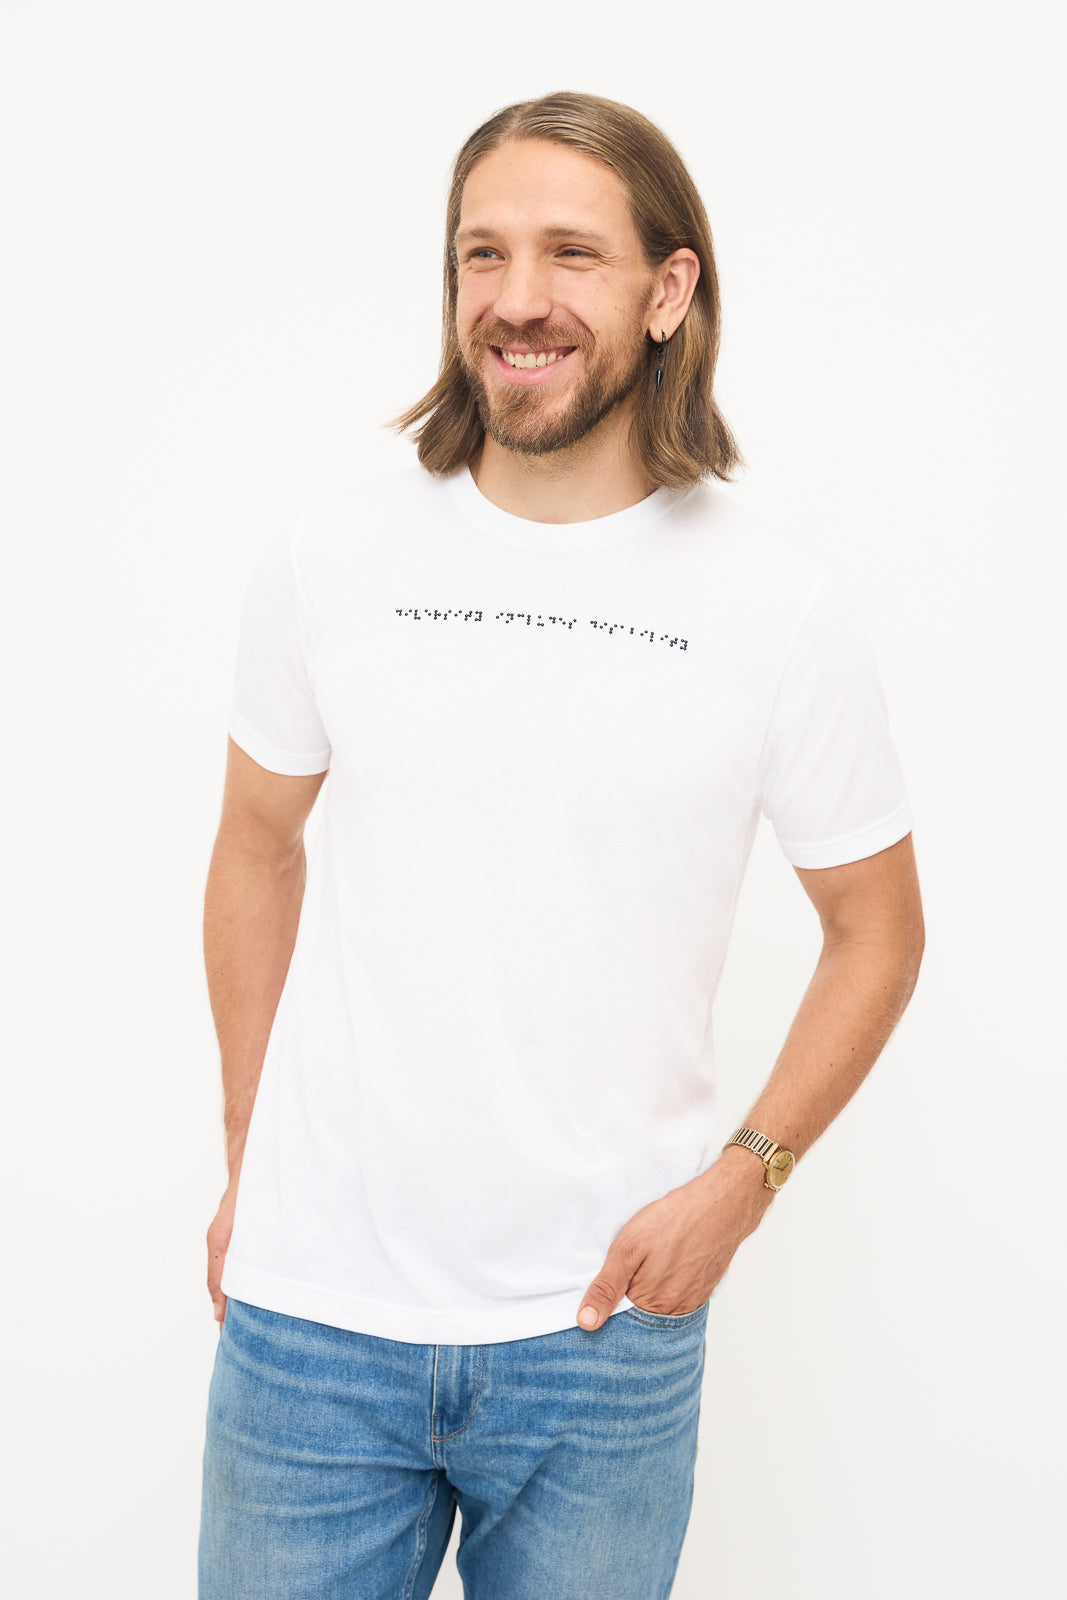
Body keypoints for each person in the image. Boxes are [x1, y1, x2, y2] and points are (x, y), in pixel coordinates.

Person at [198, 90, 924, 1600]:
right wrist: (249, 1150)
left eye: (571, 257)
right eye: (484, 254)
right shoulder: (335, 554)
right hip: (313, 1328)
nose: (518, 302)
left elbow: (880, 928)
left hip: (602, 1339)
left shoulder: (775, 605)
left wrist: (740, 1185)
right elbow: (257, 846)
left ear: (669, 292)